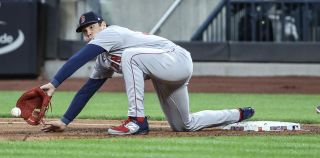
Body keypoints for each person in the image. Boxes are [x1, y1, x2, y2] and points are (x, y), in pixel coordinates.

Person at [39, 11, 254, 135]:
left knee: (129, 56)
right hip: (164, 72)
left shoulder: (111, 33)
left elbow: (79, 58)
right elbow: (88, 89)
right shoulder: (103, 59)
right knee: (183, 125)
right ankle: (237, 114)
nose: (89, 34)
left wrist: (55, 83)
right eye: (85, 32)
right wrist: (65, 121)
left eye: (92, 28)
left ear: (103, 25)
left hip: (175, 59)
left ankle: (137, 120)